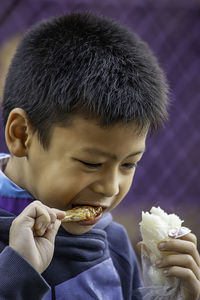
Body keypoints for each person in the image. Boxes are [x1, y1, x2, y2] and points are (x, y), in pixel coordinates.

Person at [0, 12, 199, 300]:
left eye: (129, 164)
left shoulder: (113, 245)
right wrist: (18, 274)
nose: (111, 187)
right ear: (21, 135)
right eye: (91, 163)